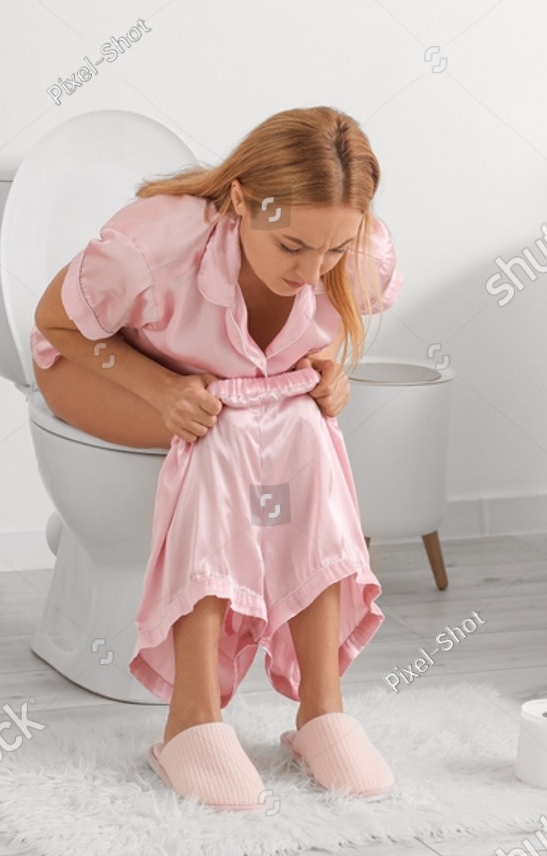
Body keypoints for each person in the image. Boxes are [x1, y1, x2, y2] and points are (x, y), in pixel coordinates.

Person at [31, 106, 403, 810]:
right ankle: (191, 718)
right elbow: (54, 324)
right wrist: (160, 385)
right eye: (292, 244)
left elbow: (300, 341)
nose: (312, 270)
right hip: (100, 366)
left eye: (330, 251)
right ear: (241, 203)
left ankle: (322, 707)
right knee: (226, 426)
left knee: (304, 425)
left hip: (227, 388)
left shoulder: (356, 253)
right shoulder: (153, 247)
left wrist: (326, 370)